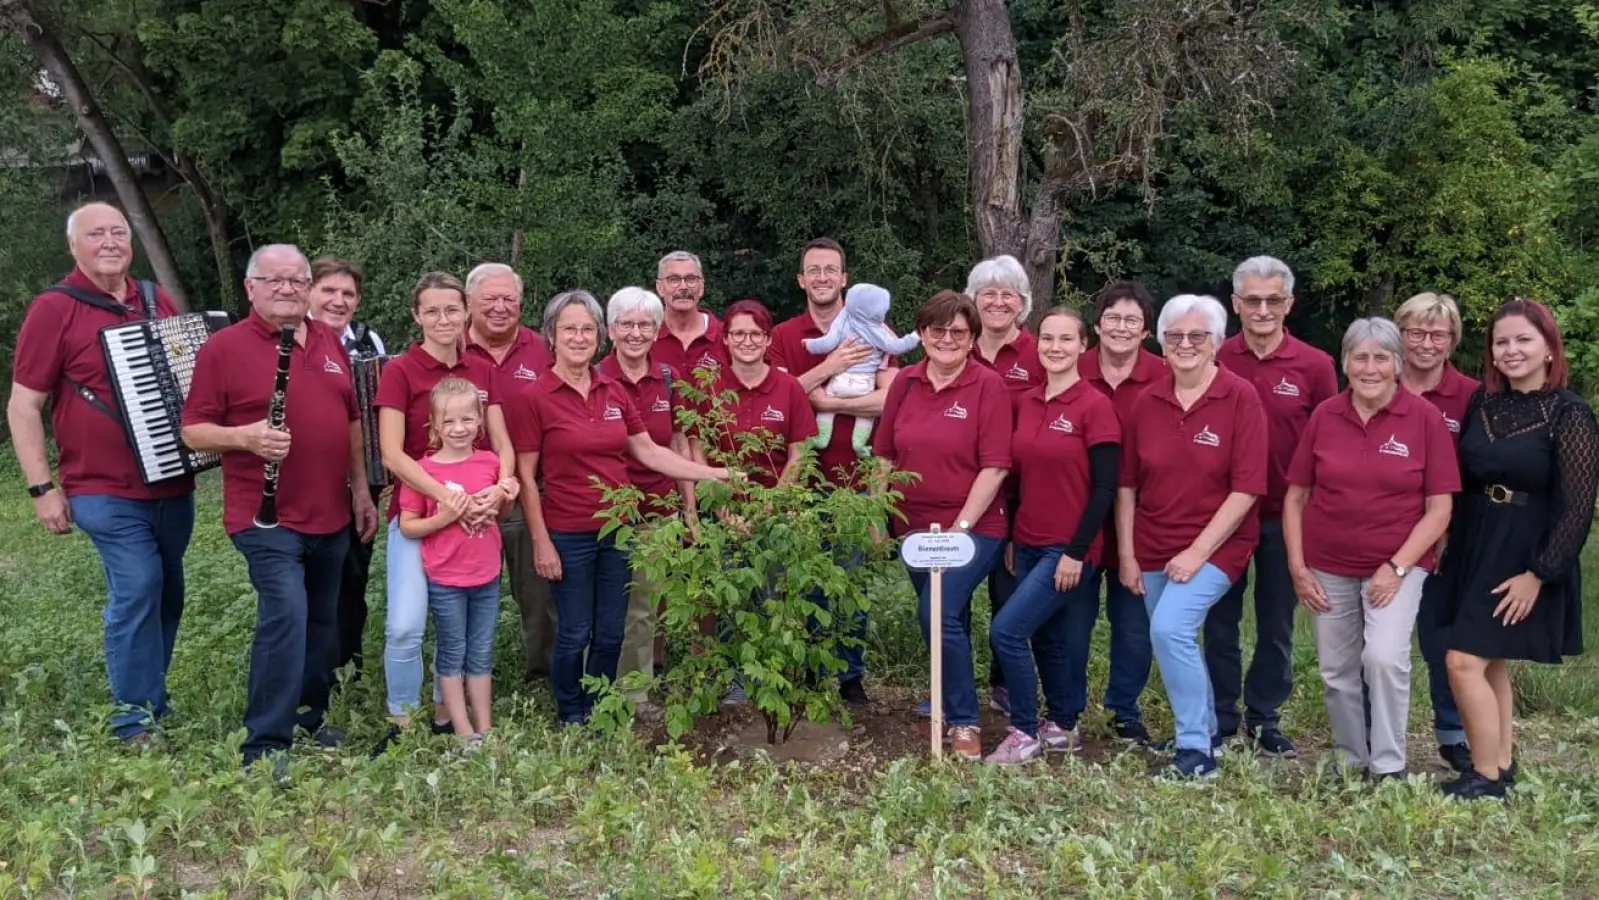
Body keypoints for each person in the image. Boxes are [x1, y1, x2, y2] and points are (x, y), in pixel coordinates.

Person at [181, 244, 380, 769]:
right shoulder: (224, 348)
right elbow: (192, 430)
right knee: (286, 617)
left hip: (330, 512)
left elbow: (353, 423)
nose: (288, 288)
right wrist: (245, 437)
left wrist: (360, 490)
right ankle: (265, 743)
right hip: (264, 516)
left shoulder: (332, 342)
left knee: (322, 621)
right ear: (251, 288)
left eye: (298, 280)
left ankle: (309, 721)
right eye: (276, 280)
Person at [7, 202, 197, 744]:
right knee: (138, 585)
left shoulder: (157, 301)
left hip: (171, 481)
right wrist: (42, 488)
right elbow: (24, 406)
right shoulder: (55, 308)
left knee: (168, 588)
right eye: (96, 234)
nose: (110, 241)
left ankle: (151, 698)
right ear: (74, 246)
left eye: (119, 232)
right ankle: (134, 722)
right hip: (100, 486)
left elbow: (189, 375)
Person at [507, 290, 730, 725]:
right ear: (551, 336)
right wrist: (541, 542)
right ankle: (572, 710)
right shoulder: (535, 398)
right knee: (574, 630)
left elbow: (649, 452)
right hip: (568, 532)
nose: (579, 337)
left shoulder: (612, 390)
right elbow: (528, 481)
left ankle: (605, 706)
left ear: (598, 336)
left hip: (619, 530)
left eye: (587, 329)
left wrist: (715, 474)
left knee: (612, 630)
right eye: (570, 329)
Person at [1436, 299, 1598, 800]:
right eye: (1501, 342)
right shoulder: (1484, 404)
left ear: (1549, 348)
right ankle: (1501, 762)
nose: (1511, 350)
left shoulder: (1569, 414)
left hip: (1526, 550)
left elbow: (1578, 508)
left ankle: (1484, 778)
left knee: (1462, 661)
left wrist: (1540, 573)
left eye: (1523, 340)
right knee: (1491, 661)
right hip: (1477, 538)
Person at [1283, 318, 1459, 779]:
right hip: (1328, 567)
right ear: (1345, 363)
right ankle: (1350, 759)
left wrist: (1396, 568)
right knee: (1336, 671)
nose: (1370, 367)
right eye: (1360, 357)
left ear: (1398, 364)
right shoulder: (1325, 415)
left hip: (1396, 566)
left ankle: (1388, 765)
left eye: (1381, 357)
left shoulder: (1423, 419)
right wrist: (1298, 567)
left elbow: (1439, 510)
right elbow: (1295, 497)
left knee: (1382, 658)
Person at [1117, 293, 1268, 779]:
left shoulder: (1240, 396)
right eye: (1175, 336)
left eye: (1197, 336)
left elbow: (1246, 490)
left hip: (1218, 546)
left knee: (1170, 629)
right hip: (1152, 541)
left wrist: (1197, 552)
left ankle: (1195, 754)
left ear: (1217, 343)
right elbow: (1127, 485)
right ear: (1162, 343)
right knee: (1171, 640)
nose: (1185, 344)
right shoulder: (1148, 400)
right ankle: (1204, 732)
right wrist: (1127, 554)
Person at [374, 273, 518, 751]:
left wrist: (499, 490)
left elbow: (502, 443)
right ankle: (402, 720)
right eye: (432, 311)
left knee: (459, 623)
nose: (443, 320)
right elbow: (392, 455)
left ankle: (445, 714)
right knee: (406, 625)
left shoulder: (481, 369)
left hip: (477, 512)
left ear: (466, 313)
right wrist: (449, 496)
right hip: (419, 517)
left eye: (452, 310)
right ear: (417, 315)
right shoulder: (400, 371)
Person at [872, 290, 1012, 761]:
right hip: (913, 531)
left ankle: (964, 720)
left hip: (974, 528)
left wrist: (961, 527)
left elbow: (994, 466)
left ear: (973, 339)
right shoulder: (905, 383)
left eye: (958, 332)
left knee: (936, 615)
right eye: (937, 330)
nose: (946, 339)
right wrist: (876, 515)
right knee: (946, 617)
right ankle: (952, 702)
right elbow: (884, 456)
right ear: (922, 333)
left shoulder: (987, 385)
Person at [1210, 255, 1337, 757]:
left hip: (1287, 517)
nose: (1263, 310)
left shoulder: (1316, 366)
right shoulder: (1214, 356)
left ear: (1289, 304)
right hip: (1222, 515)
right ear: (1236, 305)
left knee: (1276, 622)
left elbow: (1332, 439)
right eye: (1253, 301)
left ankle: (1264, 715)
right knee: (1219, 619)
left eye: (1273, 301)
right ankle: (1221, 715)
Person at [986, 307, 1120, 765]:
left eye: (1066, 340)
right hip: (1025, 540)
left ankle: (1023, 730)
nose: (1056, 348)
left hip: (1068, 548)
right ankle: (1063, 726)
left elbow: (1104, 488)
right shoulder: (1026, 401)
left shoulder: (1095, 406)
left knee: (1006, 631)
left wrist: (1076, 553)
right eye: (1047, 339)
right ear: (1037, 343)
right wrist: (1008, 536)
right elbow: (1017, 479)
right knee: (1046, 638)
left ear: (1084, 346)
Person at [768, 237, 897, 705]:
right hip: (797, 483)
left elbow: (891, 400)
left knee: (849, 579)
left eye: (831, 270)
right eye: (813, 270)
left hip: (856, 482)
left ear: (845, 278)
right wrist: (831, 367)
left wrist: (824, 400)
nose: (822, 277)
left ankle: (849, 675)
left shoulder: (876, 325)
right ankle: (805, 669)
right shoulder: (785, 335)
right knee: (799, 577)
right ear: (801, 280)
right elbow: (776, 397)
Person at [397, 378, 509, 746]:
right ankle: (462, 731)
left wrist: (504, 493)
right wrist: (445, 517)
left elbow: (504, 508)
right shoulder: (421, 471)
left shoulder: (490, 463)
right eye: (448, 421)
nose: (459, 429)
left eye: (467, 420)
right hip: (446, 580)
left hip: (487, 575)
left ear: (480, 421)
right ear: (433, 425)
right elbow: (409, 527)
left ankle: (485, 726)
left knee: (481, 651)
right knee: (452, 652)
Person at [1394, 292, 1480, 773]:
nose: (1426, 343)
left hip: (1450, 536)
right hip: (1381, 532)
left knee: (1441, 639)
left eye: (1438, 334)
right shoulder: (1376, 381)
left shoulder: (1471, 395)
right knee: (1379, 643)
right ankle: (1374, 728)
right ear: (1400, 335)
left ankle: (1452, 733)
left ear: (1452, 341)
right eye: (1415, 332)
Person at [1078, 281, 1167, 744]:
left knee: (1134, 625)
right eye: (1112, 318)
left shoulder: (1166, 375)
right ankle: (1065, 708)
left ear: (1147, 330)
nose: (1121, 327)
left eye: (1132, 320)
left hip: (1144, 522)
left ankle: (1124, 710)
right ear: (1096, 326)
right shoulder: (1071, 368)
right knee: (1073, 621)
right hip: (1080, 521)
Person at [462, 262, 558, 685]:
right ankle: (462, 678)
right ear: (468, 304)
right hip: (462, 497)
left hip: (526, 490)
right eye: (490, 300)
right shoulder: (450, 349)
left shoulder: (543, 350)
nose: (500, 308)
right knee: (459, 591)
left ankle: (546, 673)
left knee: (538, 591)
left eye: (510, 300)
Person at [600, 287, 698, 696]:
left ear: (657, 331)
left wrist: (689, 508)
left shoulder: (669, 380)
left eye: (644, 325)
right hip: (605, 515)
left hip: (657, 511)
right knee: (605, 611)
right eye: (627, 324)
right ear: (610, 329)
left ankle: (634, 693)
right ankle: (596, 690)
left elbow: (677, 443)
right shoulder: (597, 377)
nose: (635, 333)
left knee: (643, 608)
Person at [966, 254, 1045, 718]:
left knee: (1008, 597)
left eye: (1007, 294)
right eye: (987, 293)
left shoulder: (1039, 353)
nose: (997, 302)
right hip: (963, 493)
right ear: (973, 301)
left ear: (1023, 302)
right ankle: (951, 679)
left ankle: (1003, 684)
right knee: (951, 595)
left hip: (1020, 498)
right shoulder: (955, 345)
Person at [308, 255, 385, 681]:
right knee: (309, 578)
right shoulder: (290, 335)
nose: (339, 301)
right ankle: (310, 668)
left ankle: (347, 667)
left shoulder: (367, 339)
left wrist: (379, 476)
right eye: (329, 291)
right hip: (306, 482)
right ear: (308, 292)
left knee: (354, 573)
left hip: (361, 478)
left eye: (348, 293)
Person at [693, 299, 819, 488]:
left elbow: (799, 454)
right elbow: (698, 452)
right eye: (738, 334)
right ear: (726, 338)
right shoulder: (708, 386)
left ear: (768, 339)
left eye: (756, 334)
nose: (747, 342)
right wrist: (718, 503)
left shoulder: (790, 387)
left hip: (780, 507)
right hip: (723, 503)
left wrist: (772, 505)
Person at [802, 283, 918, 455]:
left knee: (827, 402)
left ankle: (821, 437)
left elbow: (828, 342)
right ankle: (859, 444)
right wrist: (914, 337)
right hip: (864, 383)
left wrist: (810, 345)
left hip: (841, 379)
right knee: (866, 415)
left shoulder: (844, 318)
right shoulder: (877, 330)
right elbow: (896, 346)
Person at [652, 251, 725, 379]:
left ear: (701, 287)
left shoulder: (726, 337)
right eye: (673, 280)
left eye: (691, 279)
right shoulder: (644, 338)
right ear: (659, 287)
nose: (683, 287)